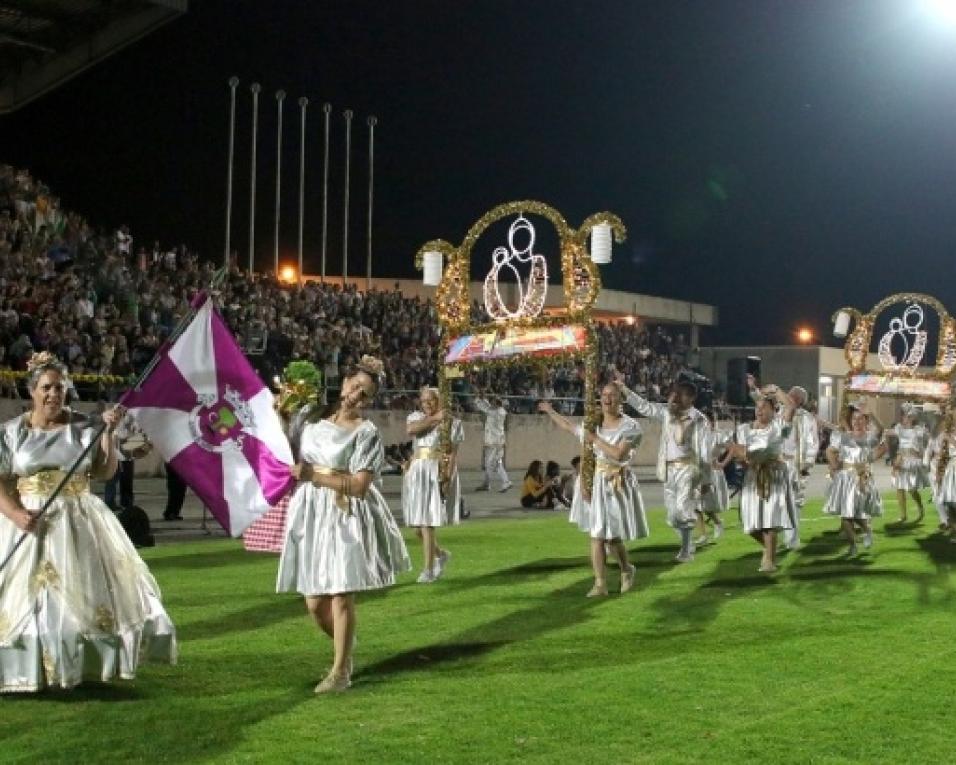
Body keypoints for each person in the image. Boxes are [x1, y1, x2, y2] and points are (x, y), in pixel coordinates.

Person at [0, 352, 176, 692]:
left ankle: (81, 667)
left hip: (78, 519)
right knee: (26, 600)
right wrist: (16, 514)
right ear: (32, 391)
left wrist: (108, 434)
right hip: (26, 520)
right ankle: (25, 669)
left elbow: (104, 472)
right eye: (47, 388)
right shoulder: (10, 433)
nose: (54, 394)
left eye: (60, 388)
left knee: (84, 596)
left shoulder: (86, 425)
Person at [277, 356, 411, 694]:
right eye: (354, 386)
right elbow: (288, 454)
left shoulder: (366, 434)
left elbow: (360, 486)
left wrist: (314, 476)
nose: (356, 395)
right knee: (313, 601)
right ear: (344, 383)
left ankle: (339, 672)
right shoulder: (313, 420)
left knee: (340, 595)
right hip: (311, 511)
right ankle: (345, 649)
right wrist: (281, 417)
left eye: (365, 394)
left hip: (344, 512)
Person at [539, 383, 646, 597]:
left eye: (612, 395)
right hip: (597, 481)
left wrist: (595, 439)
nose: (607, 399)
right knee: (597, 534)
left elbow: (619, 455)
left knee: (612, 537)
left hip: (617, 483)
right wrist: (550, 411)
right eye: (604, 395)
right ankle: (600, 584)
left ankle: (626, 569)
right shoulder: (594, 423)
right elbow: (570, 427)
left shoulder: (631, 427)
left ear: (621, 399)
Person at [614, 373, 712, 563]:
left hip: (688, 468)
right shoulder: (668, 413)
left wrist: (706, 479)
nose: (677, 397)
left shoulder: (699, 420)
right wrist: (625, 389)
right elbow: (645, 407)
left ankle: (686, 551)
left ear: (691, 398)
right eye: (677, 393)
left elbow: (705, 450)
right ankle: (688, 542)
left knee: (681, 509)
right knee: (671, 515)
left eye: (682, 394)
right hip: (668, 469)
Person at [748, 376, 819, 550]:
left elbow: (812, 442)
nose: (791, 397)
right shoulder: (779, 412)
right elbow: (761, 402)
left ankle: (792, 540)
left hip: (795, 464)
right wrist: (753, 389)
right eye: (790, 394)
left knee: (794, 502)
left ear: (801, 401)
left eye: (795, 396)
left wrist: (807, 464)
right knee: (774, 500)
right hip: (777, 463)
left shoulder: (807, 418)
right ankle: (774, 536)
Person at [402, 387, 464, 583]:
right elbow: (412, 430)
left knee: (427, 522)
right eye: (423, 401)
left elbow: (452, 453)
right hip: (416, 471)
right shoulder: (416, 417)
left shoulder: (452, 424)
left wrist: (447, 477)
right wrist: (436, 418)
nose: (427, 404)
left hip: (434, 470)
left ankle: (428, 570)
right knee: (417, 527)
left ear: (439, 400)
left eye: (431, 400)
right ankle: (441, 554)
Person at [731, 392, 796, 573]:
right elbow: (743, 454)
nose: (759, 411)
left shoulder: (779, 427)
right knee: (750, 524)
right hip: (753, 476)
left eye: (764, 407)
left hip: (773, 475)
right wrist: (740, 458)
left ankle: (770, 561)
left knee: (769, 519)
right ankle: (769, 550)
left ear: (773, 410)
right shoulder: (745, 429)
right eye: (757, 407)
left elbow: (790, 407)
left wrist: (776, 390)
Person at [822, 405, 888, 555]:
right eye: (854, 419)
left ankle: (867, 530)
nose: (857, 422)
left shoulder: (870, 438)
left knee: (857, 513)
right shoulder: (844, 437)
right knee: (846, 515)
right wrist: (834, 465)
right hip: (845, 479)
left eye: (860, 419)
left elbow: (881, 429)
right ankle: (852, 545)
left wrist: (872, 413)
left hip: (862, 479)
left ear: (866, 421)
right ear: (850, 421)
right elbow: (830, 450)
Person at [886, 405, 930, 523]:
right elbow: (885, 432)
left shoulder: (919, 430)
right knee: (899, 488)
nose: (905, 417)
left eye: (908, 415)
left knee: (911, 489)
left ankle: (920, 508)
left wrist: (919, 453)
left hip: (913, 462)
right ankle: (903, 515)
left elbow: (928, 443)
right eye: (904, 415)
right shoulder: (899, 428)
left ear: (913, 417)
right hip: (901, 460)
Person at [104, 407, 152, 512]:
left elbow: (137, 431)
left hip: (127, 453)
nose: (122, 410)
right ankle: (109, 503)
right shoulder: (112, 416)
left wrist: (141, 440)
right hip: (115, 453)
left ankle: (126, 503)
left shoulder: (131, 416)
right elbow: (113, 433)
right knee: (111, 479)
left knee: (126, 480)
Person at [473, 393, 512, 493]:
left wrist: (479, 398)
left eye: (493, 402)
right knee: (488, 463)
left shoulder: (494, 412)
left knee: (495, 463)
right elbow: (488, 406)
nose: (491, 403)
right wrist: (484, 398)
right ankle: (487, 483)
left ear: (497, 404)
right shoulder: (501, 411)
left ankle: (506, 481)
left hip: (494, 442)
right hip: (497, 441)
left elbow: (482, 406)